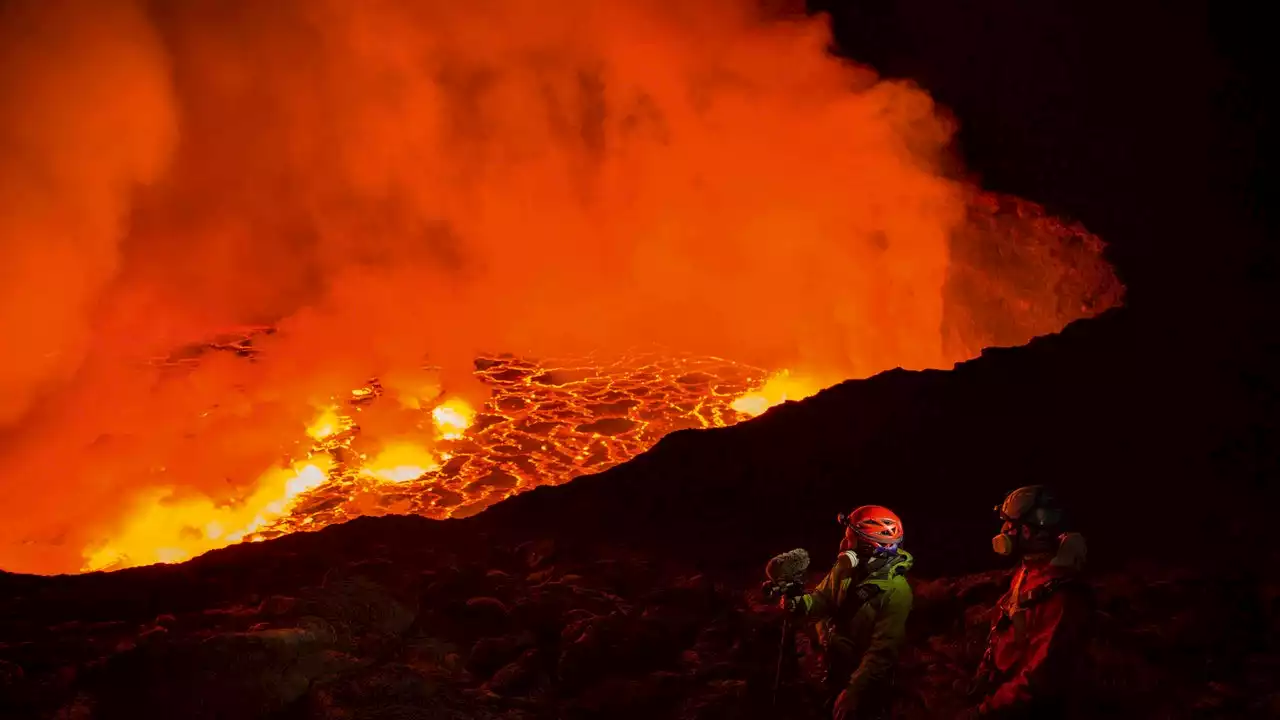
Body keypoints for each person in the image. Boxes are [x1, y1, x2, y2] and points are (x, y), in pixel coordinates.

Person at [961, 485, 1094, 719]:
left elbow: (1037, 679)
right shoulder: (1030, 570)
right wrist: (986, 671)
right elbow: (1009, 625)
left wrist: (983, 712)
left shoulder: (1060, 597)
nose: (1004, 530)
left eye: (1010, 523)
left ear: (1031, 531)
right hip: (1006, 691)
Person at [782, 505, 914, 720]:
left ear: (867, 547)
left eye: (849, 538)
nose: (844, 544)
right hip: (835, 668)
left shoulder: (896, 592)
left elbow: (882, 651)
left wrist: (854, 692)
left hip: (866, 685)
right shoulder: (845, 570)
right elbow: (821, 600)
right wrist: (800, 604)